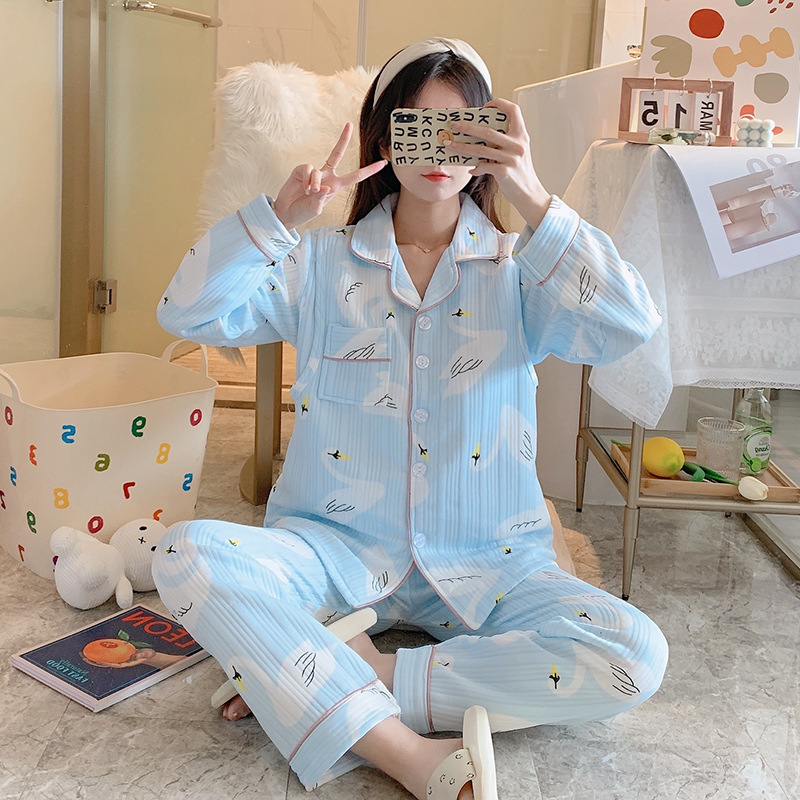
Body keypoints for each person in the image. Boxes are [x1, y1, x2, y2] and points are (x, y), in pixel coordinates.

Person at [152, 37, 668, 800]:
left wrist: (531, 193)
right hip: (332, 553)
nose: (438, 149)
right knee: (184, 553)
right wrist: (277, 218)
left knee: (633, 652)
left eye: (462, 127)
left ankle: (337, 679)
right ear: (384, 137)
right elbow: (186, 312)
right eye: (416, 126)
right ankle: (409, 756)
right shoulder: (316, 263)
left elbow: (632, 325)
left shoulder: (523, 269)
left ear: (489, 138)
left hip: (492, 560)